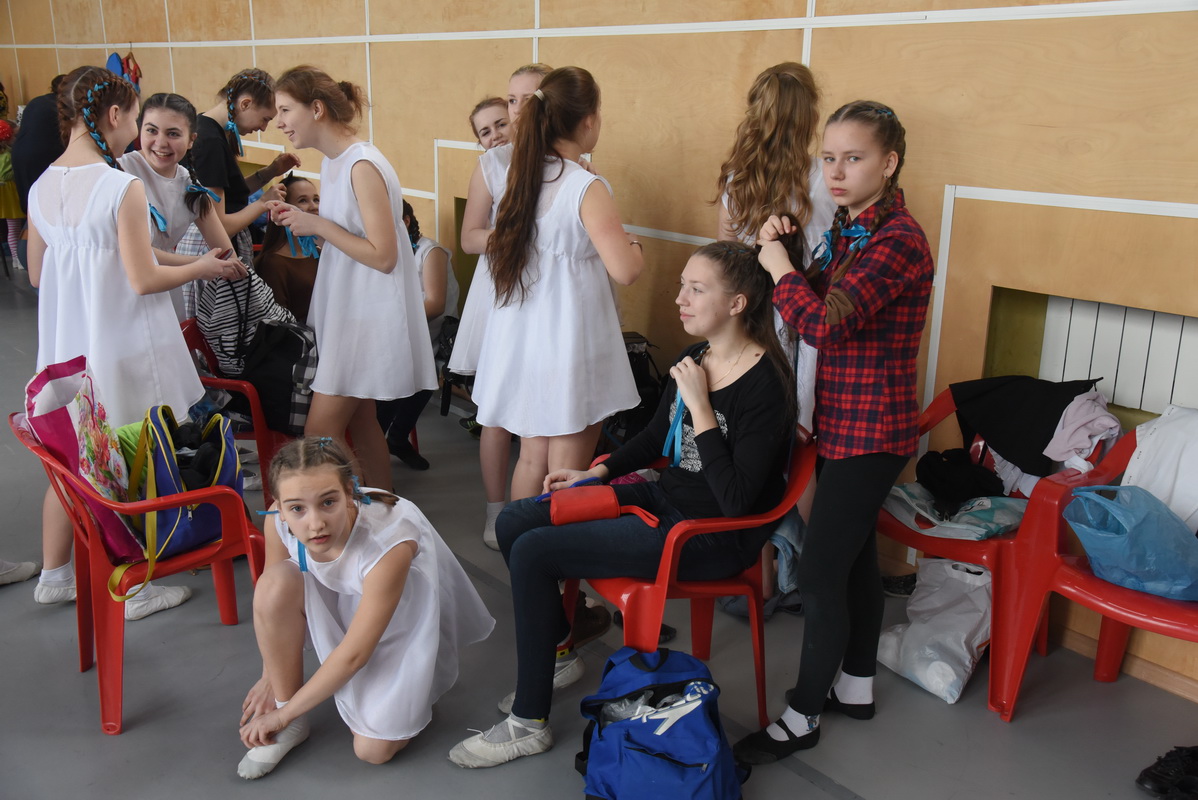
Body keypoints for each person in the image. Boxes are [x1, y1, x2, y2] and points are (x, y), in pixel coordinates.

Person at [449, 241, 796, 768]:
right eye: (682, 285)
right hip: (664, 498)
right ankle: (559, 649)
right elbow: (655, 438)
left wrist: (701, 407)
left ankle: (529, 722)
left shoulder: (765, 384)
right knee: (516, 521)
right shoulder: (694, 357)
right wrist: (597, 472)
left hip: (707, 535)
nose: (680, 298)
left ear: (737, 303)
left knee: (537, 553)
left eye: (696, 289)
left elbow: (736, 501)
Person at [733, 100, 934, 765]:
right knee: (852, 562)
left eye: (854, 158)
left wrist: (778, 268)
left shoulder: (898, 239)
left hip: (872, 432)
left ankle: (802, 717)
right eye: (829, 159)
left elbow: (823, 324)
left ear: (889, 162)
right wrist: (787, 249)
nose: (837, 172)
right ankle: (856, 684)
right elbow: (817, 294)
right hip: (842, 423)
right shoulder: (852, 226)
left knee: (820, 574)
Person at [27, 66, 243, 619]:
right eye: (137, 121)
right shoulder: (119, 185)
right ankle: (136, 588)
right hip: (122, 338)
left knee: (80, 455)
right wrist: (200, 267)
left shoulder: (41, 185)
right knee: (131, 457)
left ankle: (55, 575)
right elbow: (143, 278)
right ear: (116, 114)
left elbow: (37, 274)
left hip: (68, 343)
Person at [237, 437, 494, 779]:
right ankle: (293, 725)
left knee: (372, 751)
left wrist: (277, 716)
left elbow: (355, 655)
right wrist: (271, 676)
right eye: (297, 508)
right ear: (279, 507)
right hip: (337, 590)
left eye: (328, 502)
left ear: (350, 492)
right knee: (272, 585)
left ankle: (409, 684)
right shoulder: (277, 521)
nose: (315, 523)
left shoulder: (388, 543)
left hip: (399, 612)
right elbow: (272, 594)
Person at [469, 65, 642, 510]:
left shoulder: (524, 177)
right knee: (565, 468)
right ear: (588, 121)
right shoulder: (585, 185)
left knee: (532, 458)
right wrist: (634, 245)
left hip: (528, 339)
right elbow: (625, 270)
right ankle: (549, 549)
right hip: (570, 341)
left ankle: (517, 542)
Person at [268, 65, 437, 491]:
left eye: (285, 110)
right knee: (361, 425)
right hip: (348, 309)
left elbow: (384, 256)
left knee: (319, 433)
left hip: (363, 318)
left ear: (317, 109)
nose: (278, 121)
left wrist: (318, 226)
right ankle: (380, 511)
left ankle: (351, 515)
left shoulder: (361, 164)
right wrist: (307, 223)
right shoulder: (334, 163)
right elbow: (350, 239)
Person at [714, 62, 836, 607]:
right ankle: (826, 576)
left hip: (744, 323)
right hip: (799, 326)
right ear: (809, 117)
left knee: (752, 454)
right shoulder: (822, 180)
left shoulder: (737, 180)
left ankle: (758, 581)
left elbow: (726, 262)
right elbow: (832, 266)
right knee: (801, 457)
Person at [451, 63, 552, 549]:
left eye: (504, 119)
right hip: (501, 293)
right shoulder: (492, 167)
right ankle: (496, 511)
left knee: (544, 408)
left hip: (548, 297)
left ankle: (543, 510)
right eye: (485, 130)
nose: (497, 132)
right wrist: (513, 236)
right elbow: (470, 237)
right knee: (493, 410)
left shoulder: (572, 164)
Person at [118, 92, 237, 319]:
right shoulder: (121, 172)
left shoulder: (189, 185)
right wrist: (199, 265)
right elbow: (130, 251)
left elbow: (226, 252)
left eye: (173, 134)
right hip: (126, 289)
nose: (161, 142)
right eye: (151, 130)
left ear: (191, 140)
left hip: (169, 288)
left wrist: (234, 270)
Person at [376, 200, 458, 471]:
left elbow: (435, 305)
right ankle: (377, 444)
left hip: (425, 333)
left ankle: (392, 439)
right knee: (386, 382)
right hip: (396, 332)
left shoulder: (429, 252)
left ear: (406, 221)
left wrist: (391, 326)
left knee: (407, 380)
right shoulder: (383, 251)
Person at [193, 69, 299, 266]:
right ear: (245, 104)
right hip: (212, 254)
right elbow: (219, 226)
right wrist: (263, 203)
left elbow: (232, 195)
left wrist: (271, 171)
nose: (263, 128)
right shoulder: (210, 142)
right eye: (265, 119)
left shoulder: (212, 130)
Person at [11, 74, 65, 267]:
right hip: (43, 159)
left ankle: (25, 251)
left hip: (20, 155)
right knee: (45, 209)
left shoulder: (37, 102)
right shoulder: (61, 107)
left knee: (31, 206)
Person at [254, 173, 321, 322]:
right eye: (303, 200)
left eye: (316, 199)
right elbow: (278, 322)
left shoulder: (320, 253)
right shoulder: (272, 264)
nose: (314, 207)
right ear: (283, 209)